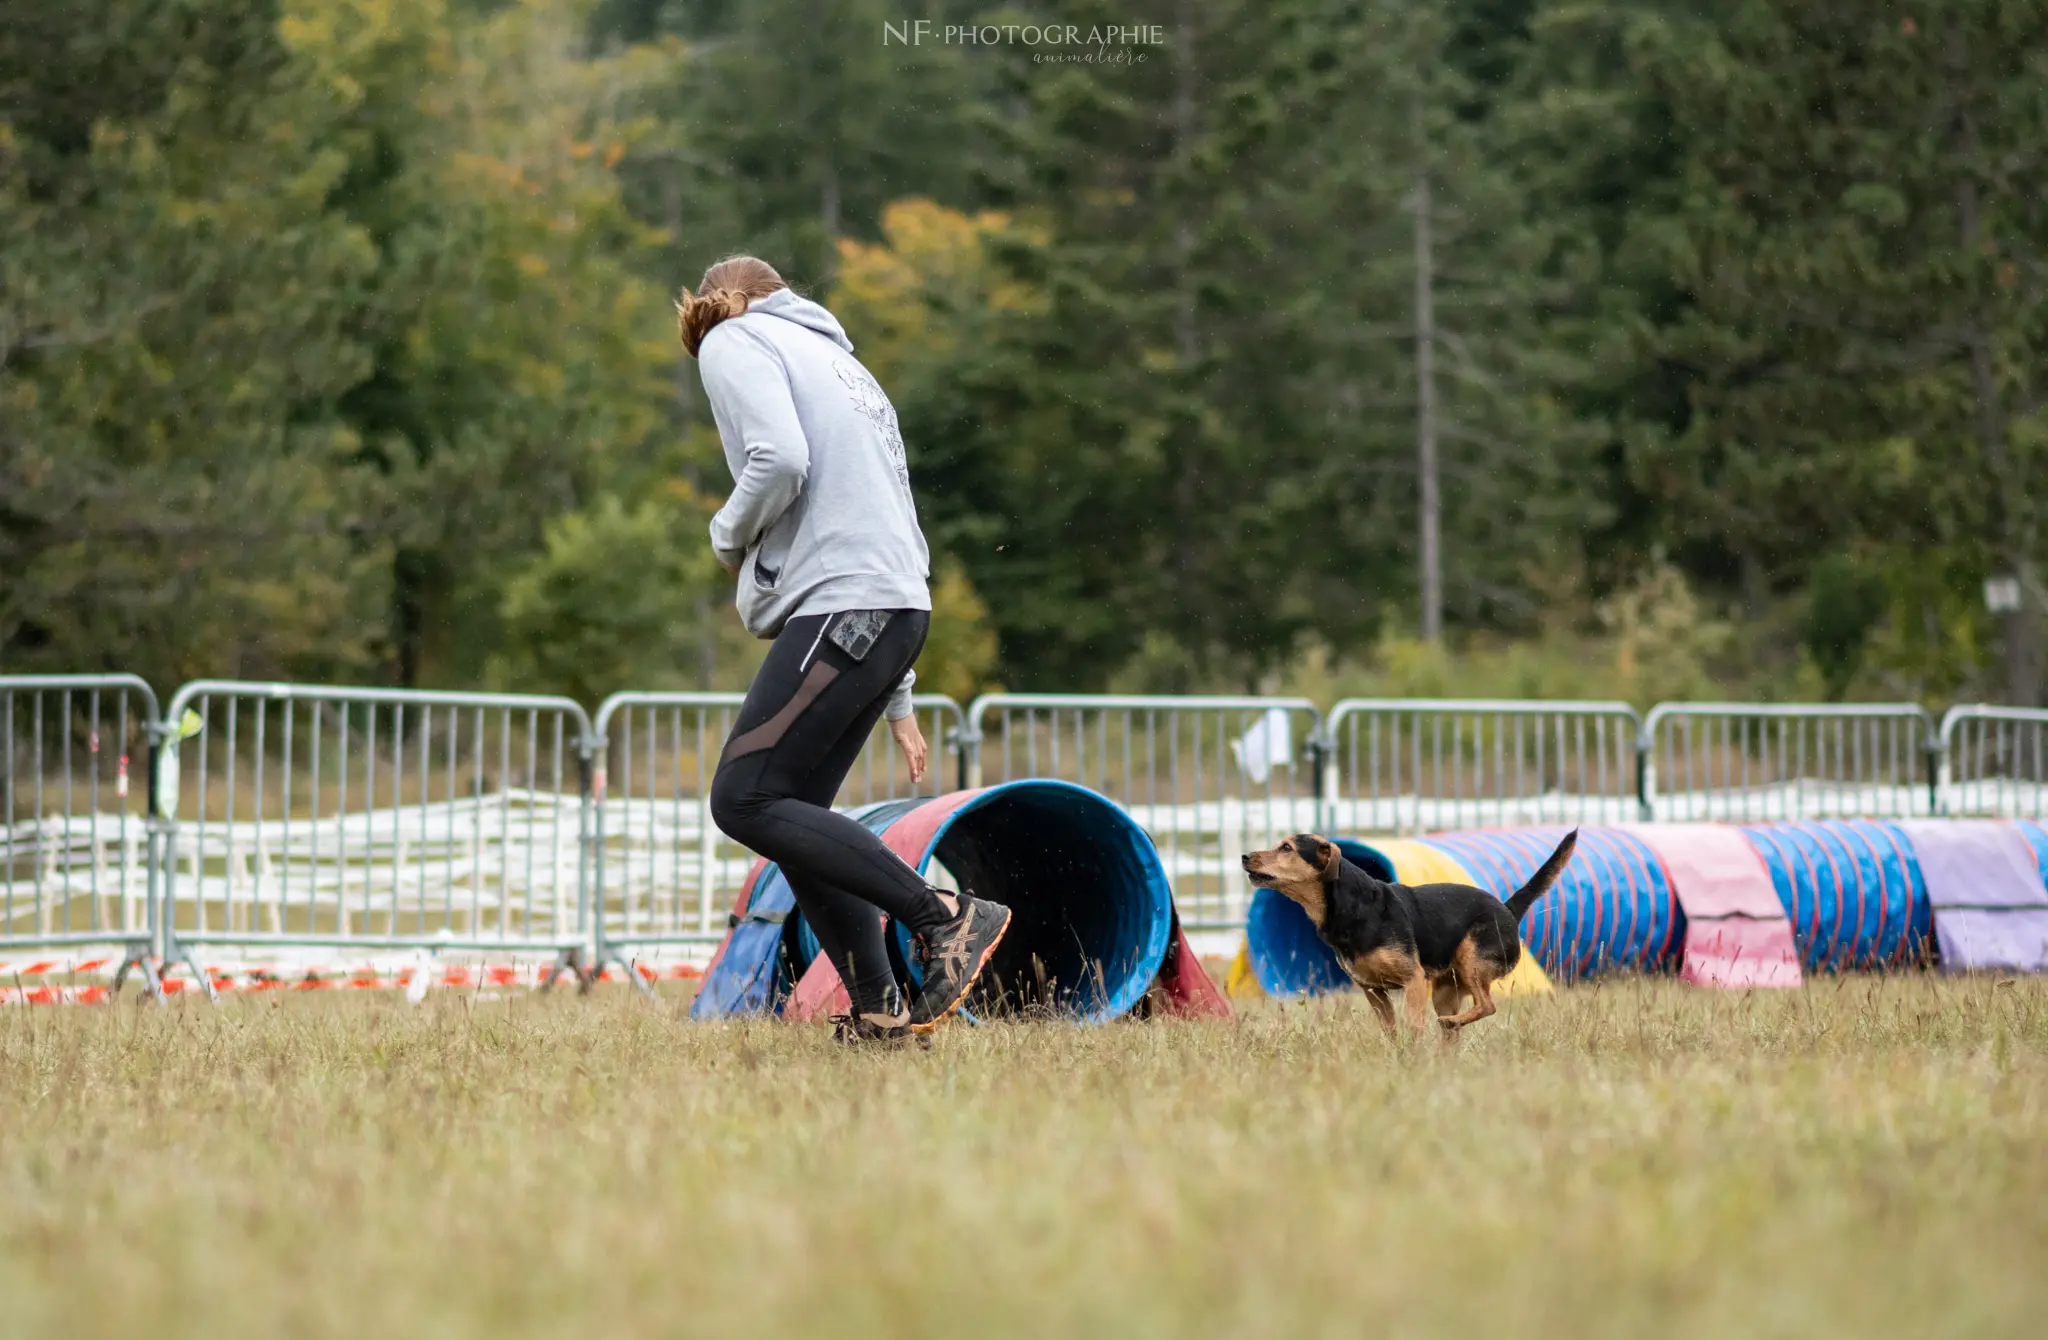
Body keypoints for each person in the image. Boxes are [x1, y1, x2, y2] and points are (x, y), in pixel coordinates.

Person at [679, 255, 1011, 1045]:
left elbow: (780, 461)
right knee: (789, 811)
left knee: (745, 799)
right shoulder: (845, 365)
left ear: (718, 308)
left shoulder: (735, 340)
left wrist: (725, 536)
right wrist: (898, 690)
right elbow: (888, 509)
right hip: (893, 605)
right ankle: (877, 1008)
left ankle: (946, 918)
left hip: (845, 604)